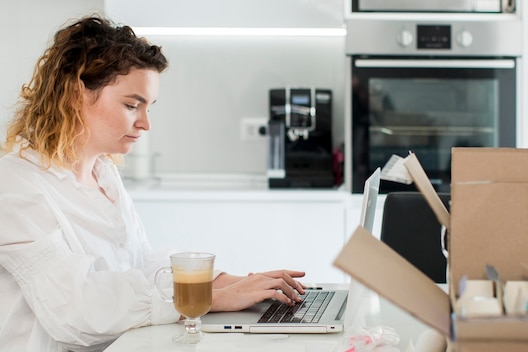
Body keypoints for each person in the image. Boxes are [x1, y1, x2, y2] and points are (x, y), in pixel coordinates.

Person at [0, 15, 306, 351]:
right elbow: (75, 309)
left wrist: (238, 283)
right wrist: (208, 299)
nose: (145, 123)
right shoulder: (15, 184)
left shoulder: (104, 174)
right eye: (132, 105)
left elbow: (141, 264)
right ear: (77, 94)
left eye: (149, 108)